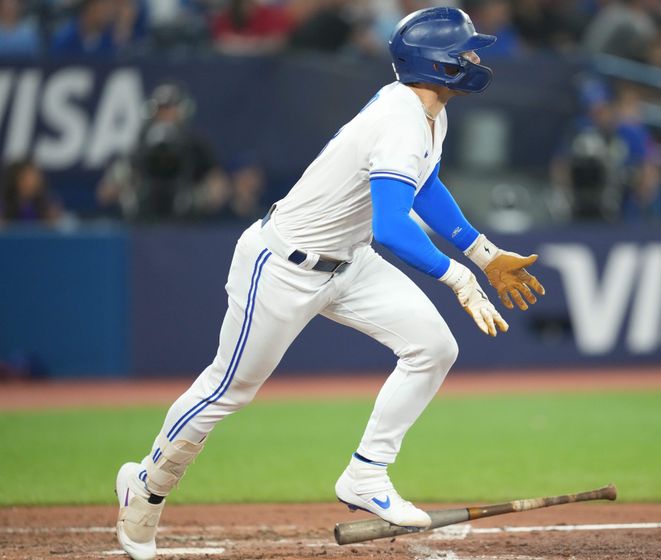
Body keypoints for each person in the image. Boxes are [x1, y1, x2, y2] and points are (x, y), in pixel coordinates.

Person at [113, 8, 545, 560]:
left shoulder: (427, 110)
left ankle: (366, 475)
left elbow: (427, 184)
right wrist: (458, 275)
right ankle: (145, 487)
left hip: (349, 262)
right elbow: (392, 225)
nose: (475, 59)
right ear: (437, 65)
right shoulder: (402, 118)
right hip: (283, 267)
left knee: (433, 348)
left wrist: (482, 254)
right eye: (465, 52)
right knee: (229, 391)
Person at [97, 81, 226, 222]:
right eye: (161, 110)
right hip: (145, 221)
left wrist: (198, 197)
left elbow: (219, 187)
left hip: (187, 225)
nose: (166, 116)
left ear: (182, 111)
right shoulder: (142, 145)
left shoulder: (195, 145)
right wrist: (124, 187)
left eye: (171, 110)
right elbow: (105, 193)